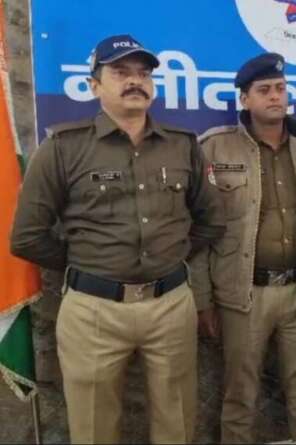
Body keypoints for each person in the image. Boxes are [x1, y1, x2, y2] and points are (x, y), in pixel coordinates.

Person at [10, 34, 225, 443]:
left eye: (143, 74)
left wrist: (172, 254)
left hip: (171, 306)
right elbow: (27, 237)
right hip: (94, 311)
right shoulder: (62, 148)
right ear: (94, 86)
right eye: (121, 72)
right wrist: (89, 263)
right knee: (93, 429)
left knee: (177, 424)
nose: (135, 81)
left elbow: (211, 220)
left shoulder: (182, 146)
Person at [193, 52, 296, 442]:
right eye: (264, 90)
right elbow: (199, 230)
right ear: (244, 99)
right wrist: (203, 299)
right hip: (244, 295)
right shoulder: (215, 148)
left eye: (280, 88)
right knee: (240, 399)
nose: (275, 96)